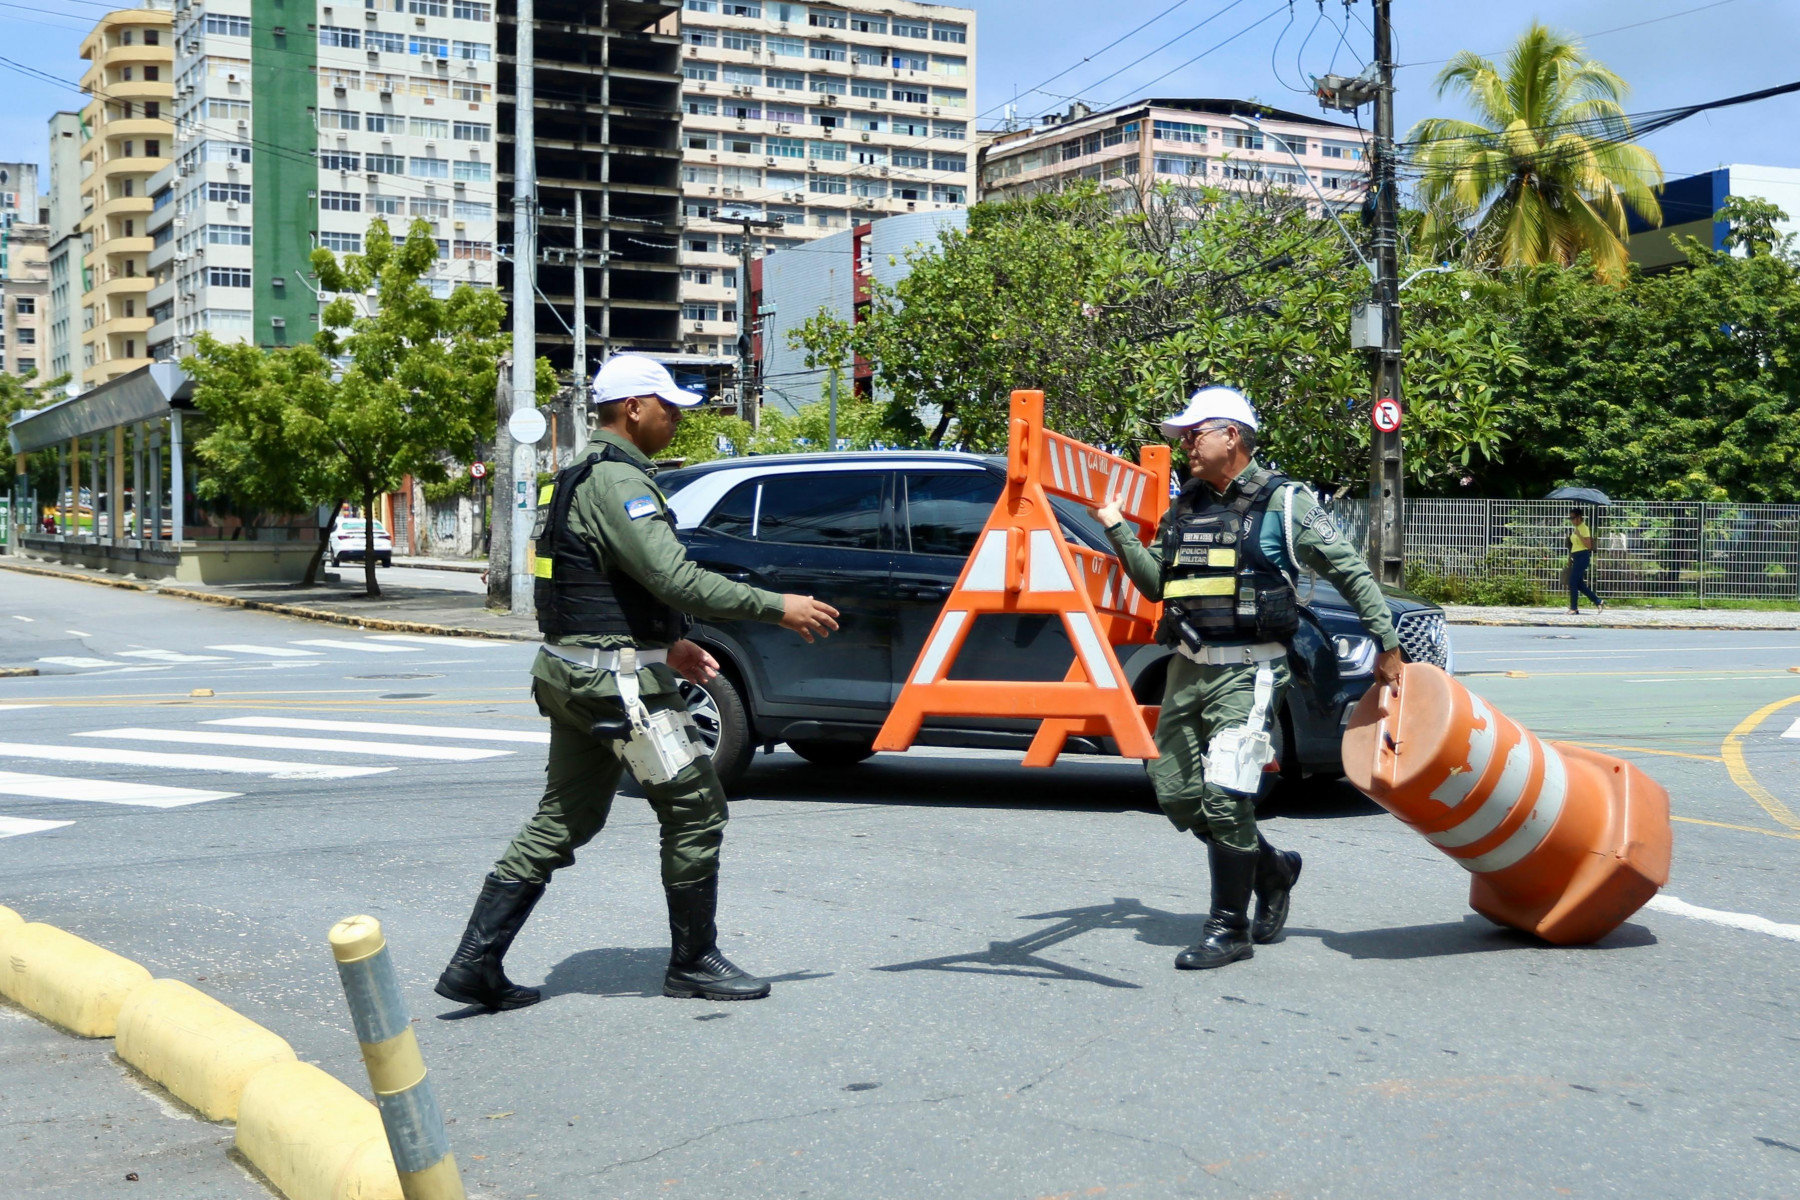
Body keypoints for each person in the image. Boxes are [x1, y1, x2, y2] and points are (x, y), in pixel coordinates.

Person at [437, 353, 840, 1009]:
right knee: (697, 808)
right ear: (633, 409)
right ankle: (692, 964)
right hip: (618, 687)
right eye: (668, 406)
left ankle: (474, 964)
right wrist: (776, 605)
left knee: (564, 819)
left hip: (572, 671)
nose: (676, 418)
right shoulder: (620, 483)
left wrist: (669, 641)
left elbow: (600, 584)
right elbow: (673, 576)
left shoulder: (573, 477)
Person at [1092, 386, 1405, 971]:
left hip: (1252, 670)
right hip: (1187, 670)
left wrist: (1387, 643)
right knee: (1180, 797)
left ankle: (1227, 927)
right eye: (1182, 435)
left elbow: (1351, 570)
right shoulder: (1184, 506)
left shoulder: (1285, 504)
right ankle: (1274, 869)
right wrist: (1114, 528)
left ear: (1230, 435)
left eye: (1194, 433)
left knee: (1228, 790)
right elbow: (1157, 584)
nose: (1184, 443)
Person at [1566, 508, 1603, 614]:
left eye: (1573, 518)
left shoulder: (1584, 528)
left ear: (1578, 517)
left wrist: (1579, 535)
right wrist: (1571, 558)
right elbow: (1575, 545)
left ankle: (1574, 607)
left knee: (1573, 582)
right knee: (1579, 584)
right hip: (1576, 556)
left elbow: (1588, 545)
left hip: (1583, 556)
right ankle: (1598, 601)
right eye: (1570, 518)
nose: (1571, 520)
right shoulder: (1576, 528)